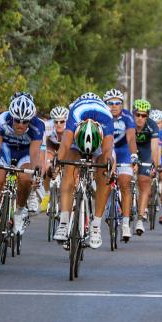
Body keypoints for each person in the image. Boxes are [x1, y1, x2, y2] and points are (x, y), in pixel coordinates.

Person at [0, 94, 44, 247]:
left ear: (31, 119)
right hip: (5, 150)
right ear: (11, 117)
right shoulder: (1, 120)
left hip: (25, 153)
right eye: (17, 120)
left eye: (25, 121)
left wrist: (35, 171)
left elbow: (35, 153)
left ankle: (20, 211)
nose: (20, 125)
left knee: (25, 179)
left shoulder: (38, 125)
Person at [52, 93, 114, 248]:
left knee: (105, 174)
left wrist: (108, 166)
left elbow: (107, 151)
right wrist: (57, 163)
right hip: (76, 141)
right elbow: (65, 145)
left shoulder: (106, 116)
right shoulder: (76, 113)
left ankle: (96, 225)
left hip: (98, 143)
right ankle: (64, 221)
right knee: (69, 167)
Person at [104, 88, 138, 241]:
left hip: (123, 151)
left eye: (118, 102)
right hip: (107, 149)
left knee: (124, 182)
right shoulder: (103, 116)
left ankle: (125, 223)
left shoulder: (127, 117)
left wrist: (134, 155)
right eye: (110, 103)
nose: (114, 106)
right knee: (101, 180)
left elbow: (131, 139)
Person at [132, 99, 160, 235]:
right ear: (133, 114)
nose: (140, 118)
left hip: (145, 151)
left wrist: (154, 165)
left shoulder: (152, 126)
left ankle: (139, 219)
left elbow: (154, 148)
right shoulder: (128, 123)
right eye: (138, 114)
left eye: (144, 115)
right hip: (129, 149)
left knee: (144, 182)